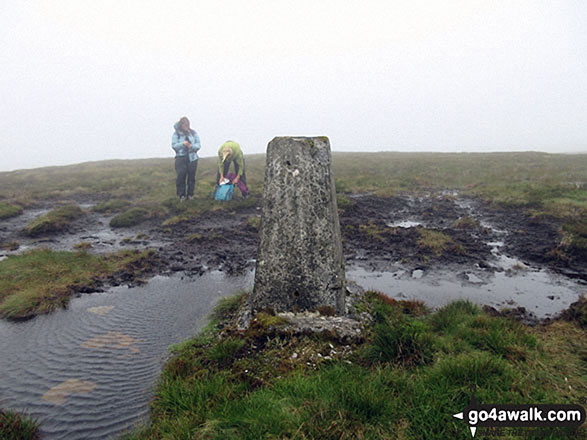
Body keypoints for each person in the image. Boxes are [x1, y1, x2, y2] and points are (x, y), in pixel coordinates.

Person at [172, 117, 201, 200]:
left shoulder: (193, 133)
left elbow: (198, 145)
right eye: (184, 124)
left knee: (191, 177)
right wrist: (183, 144)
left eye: (187, 124)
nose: (186, 126)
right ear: (181, 125)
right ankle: (182, 195)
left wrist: (191, 146)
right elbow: (174, 146)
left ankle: (190, 195)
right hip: (181, 158)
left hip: (192, 158)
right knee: (181, 176)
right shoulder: (176, 134)